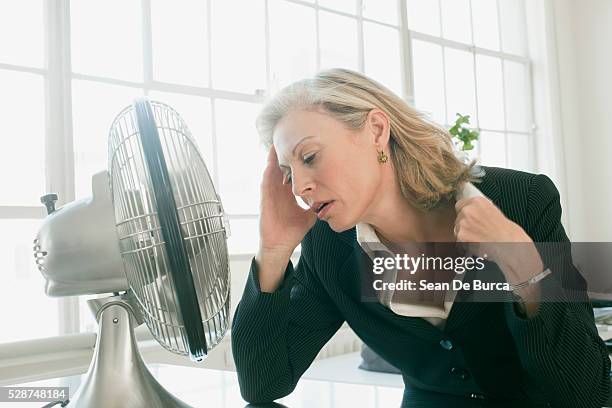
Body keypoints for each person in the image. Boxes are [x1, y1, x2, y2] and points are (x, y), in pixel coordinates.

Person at [231, 68, 610, 407]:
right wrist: (274, 250)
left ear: (377, 130)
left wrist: (524, 267)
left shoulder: (523, 201)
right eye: (287, 173)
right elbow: (262, 384)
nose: (300, 187)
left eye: (309, 157)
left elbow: (587, 394)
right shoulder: (328, 248)